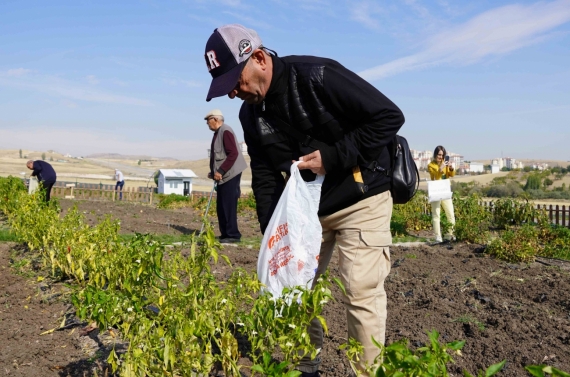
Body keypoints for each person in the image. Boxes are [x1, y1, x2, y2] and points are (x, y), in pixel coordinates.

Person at [203, 24, 405, 376]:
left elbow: (389, 116)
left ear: (260, 58)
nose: (234, 93)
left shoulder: (317, 75)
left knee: (360, 287)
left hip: (362, 196)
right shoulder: (251, 114)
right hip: (307, 211)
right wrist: (272, 236)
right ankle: (305, 367)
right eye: (227, 88)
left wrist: (335, 156)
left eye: (236, 81)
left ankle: (367, 372)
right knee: (294, 288)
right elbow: (265, 176)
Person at [205, 108, 248, 244]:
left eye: (208, 121)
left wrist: (221, 171)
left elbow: (233, 153)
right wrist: (213, 172)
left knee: (228, 205)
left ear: (216, 119)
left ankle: (233, 235)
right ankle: (225, 234)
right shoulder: (218, 133)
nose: (207, 124)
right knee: (221, 206)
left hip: (230, 175)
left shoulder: (225, 131)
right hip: (224, 175)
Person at [427, 146, 456, 243]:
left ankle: (449, 235)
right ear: (435, 154)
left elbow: (451, 175)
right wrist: (441, 167)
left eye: (442, 155)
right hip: (436, 191)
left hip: (445, 190)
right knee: (436, 215)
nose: (441, 157)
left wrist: (451, 168)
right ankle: (438, 237)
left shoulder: (445, 164)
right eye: (439, 155)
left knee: (450, 214)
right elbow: (435, 175)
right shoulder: (431, 165)